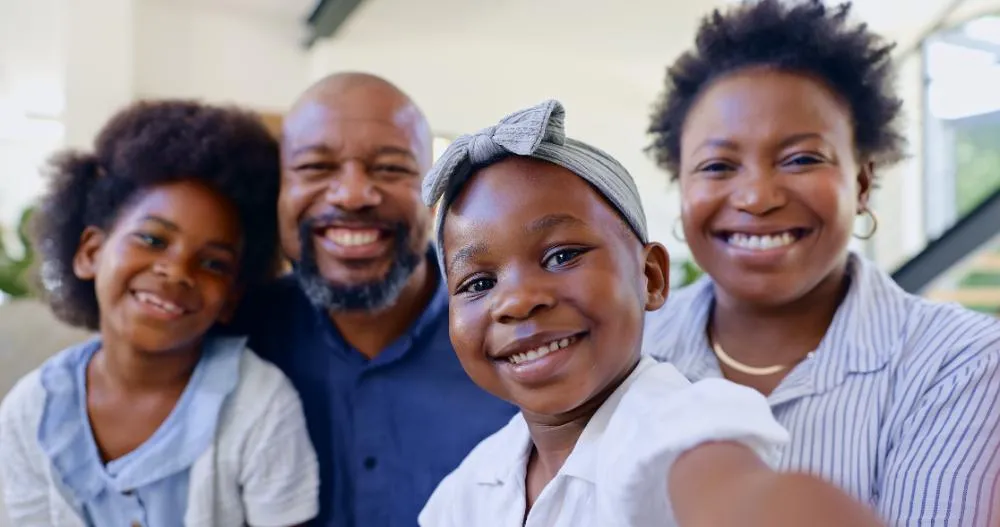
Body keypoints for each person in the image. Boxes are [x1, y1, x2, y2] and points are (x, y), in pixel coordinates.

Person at [417, 99, 888, 527]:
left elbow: (739, 494)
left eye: (562, 256)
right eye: (478, 284)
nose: (518, 301)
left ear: (651, 277)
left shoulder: (678, 428)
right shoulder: (466, 489)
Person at [643, 1, 1000, 525]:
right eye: (717, 166)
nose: (757, 197)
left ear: (861, 183)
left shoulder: (960, 364)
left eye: (802, 159)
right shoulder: (630, 351)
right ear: (682, 189)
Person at [0, 100, 319, 526]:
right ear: (91, 252)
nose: (177, 271)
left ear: (231, 298)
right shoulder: (32, 410)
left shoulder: (259, 405)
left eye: (213, 263)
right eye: (152, 240)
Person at [233, 72, 517, 527]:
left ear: (434, 194)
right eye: (315, 168)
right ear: (278, 195)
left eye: (390, 168)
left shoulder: (516, 338)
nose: (352, 196)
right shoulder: (235, 335)